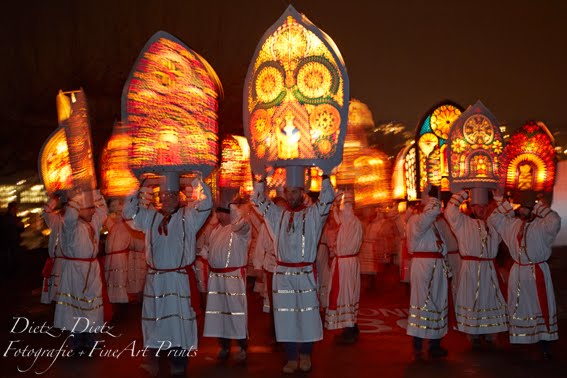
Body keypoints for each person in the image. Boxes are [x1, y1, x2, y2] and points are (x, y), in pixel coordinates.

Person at [123, 176, 212, 376]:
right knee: (157, 322)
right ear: (159, 196)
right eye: (164, 194)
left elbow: (207, 205)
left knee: (178, 323)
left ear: (178, 196)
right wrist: (136, 189)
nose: (168, 198)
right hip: (156, 281)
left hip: (178, 281)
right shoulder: (149, 217)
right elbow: (128, 214)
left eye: (172, 194)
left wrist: (198, 181)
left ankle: (178, 364)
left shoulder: (189, 216)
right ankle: (155, 359)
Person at [252, 169, 334, 374]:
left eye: (295, 192)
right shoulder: (276, 214)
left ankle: (305, 355)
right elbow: (257, 200)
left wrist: (325, 175)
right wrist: (260, 179)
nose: (290, 196)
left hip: (305, 273)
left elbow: (328, 198)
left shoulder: (314, 214)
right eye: (288, 192)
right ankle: (290, 356)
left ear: (302, 192)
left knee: (307, 315)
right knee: (285, 316)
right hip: (283, 276)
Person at [488, 189, 561, 359]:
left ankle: (544, 344)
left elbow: (555, 220)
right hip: (519, 272)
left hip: (538, 272)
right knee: (519, 306)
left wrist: (537, 207)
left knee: (539, 306)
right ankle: (521, 342)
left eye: (526, 207)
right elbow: (493, 219)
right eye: (521, 207)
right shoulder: (512, 225)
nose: (522, 210)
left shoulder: (543, 226)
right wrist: (503, 202)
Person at [445, 188, 508, 349]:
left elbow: (508, 217)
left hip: (489, 268)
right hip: (470, 269)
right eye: (477, 206)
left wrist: (499, 198)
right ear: (472, 208)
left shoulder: (493, 224)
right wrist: (465, 191)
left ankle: (489, 333)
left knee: (489, 300)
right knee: (472, 300)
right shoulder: (462, 223)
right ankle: (472, 334)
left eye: (484, 206)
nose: (481, 209)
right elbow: (450, 211)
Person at [53, 189, 108, 354]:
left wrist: (94, 191)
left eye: (92, 207)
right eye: (88, 208)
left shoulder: (93, 222)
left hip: (92, 269)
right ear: (79, 209)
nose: (92, 210)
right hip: (75, 271)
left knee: (92, 306)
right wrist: (77, 192)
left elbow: (103, 211)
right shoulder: (70, 225)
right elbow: (70, 215)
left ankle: (90, 340)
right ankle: (77, 343)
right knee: (75, 307)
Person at [406, 185, 449, 360]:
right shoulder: (417, 221)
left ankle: (434, 344)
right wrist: (432, 196)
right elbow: (431, 212)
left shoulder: (432, 225)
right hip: (425, 267)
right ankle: (418, 345)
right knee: (423, 303)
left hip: (435, 266)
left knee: (437, 302)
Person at [203, 203, 251, 362]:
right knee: (219, 313)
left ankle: (243, 346)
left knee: (236, 312)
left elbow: (242, 225)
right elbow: (210, 252)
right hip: (216, 279)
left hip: (233, 278)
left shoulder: (240, 230)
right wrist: (199, 251)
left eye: (223, 212)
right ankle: (224, 346)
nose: (219, 215)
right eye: (218, 212)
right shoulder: (215, 231)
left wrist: (231, 203)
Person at [325, 191, 363, 344]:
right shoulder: (351, 222)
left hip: (346, 265)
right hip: (346, 263)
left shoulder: (350, 223)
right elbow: (337, 217)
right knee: (346, 294)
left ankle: (349, 328)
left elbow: (338, 217)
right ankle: (351, 326)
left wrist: (335, 203)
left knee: (346, 294)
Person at [104, 198, 131, 304]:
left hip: (120, 257)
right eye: (117, 212)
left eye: (121, 212)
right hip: (110, 258)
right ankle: (112, 300)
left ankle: (121, 301)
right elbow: (104, 216)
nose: (119, 214)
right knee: (111, 280)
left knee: (120, 278)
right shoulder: (112, 225)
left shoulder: (127, 225)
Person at [40, 194, 65, 304]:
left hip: (69, 263)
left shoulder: (79, 221)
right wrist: (55, 198)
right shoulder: (56, 218)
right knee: (55, 295)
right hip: (56, 262)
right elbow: (45, 211)